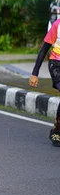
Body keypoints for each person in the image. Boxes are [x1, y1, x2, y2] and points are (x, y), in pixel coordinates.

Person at [29, 18, 60, 147]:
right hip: (56, 65)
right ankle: (58, 130)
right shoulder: (57, 25)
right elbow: (44, 50)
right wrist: (35, 74)